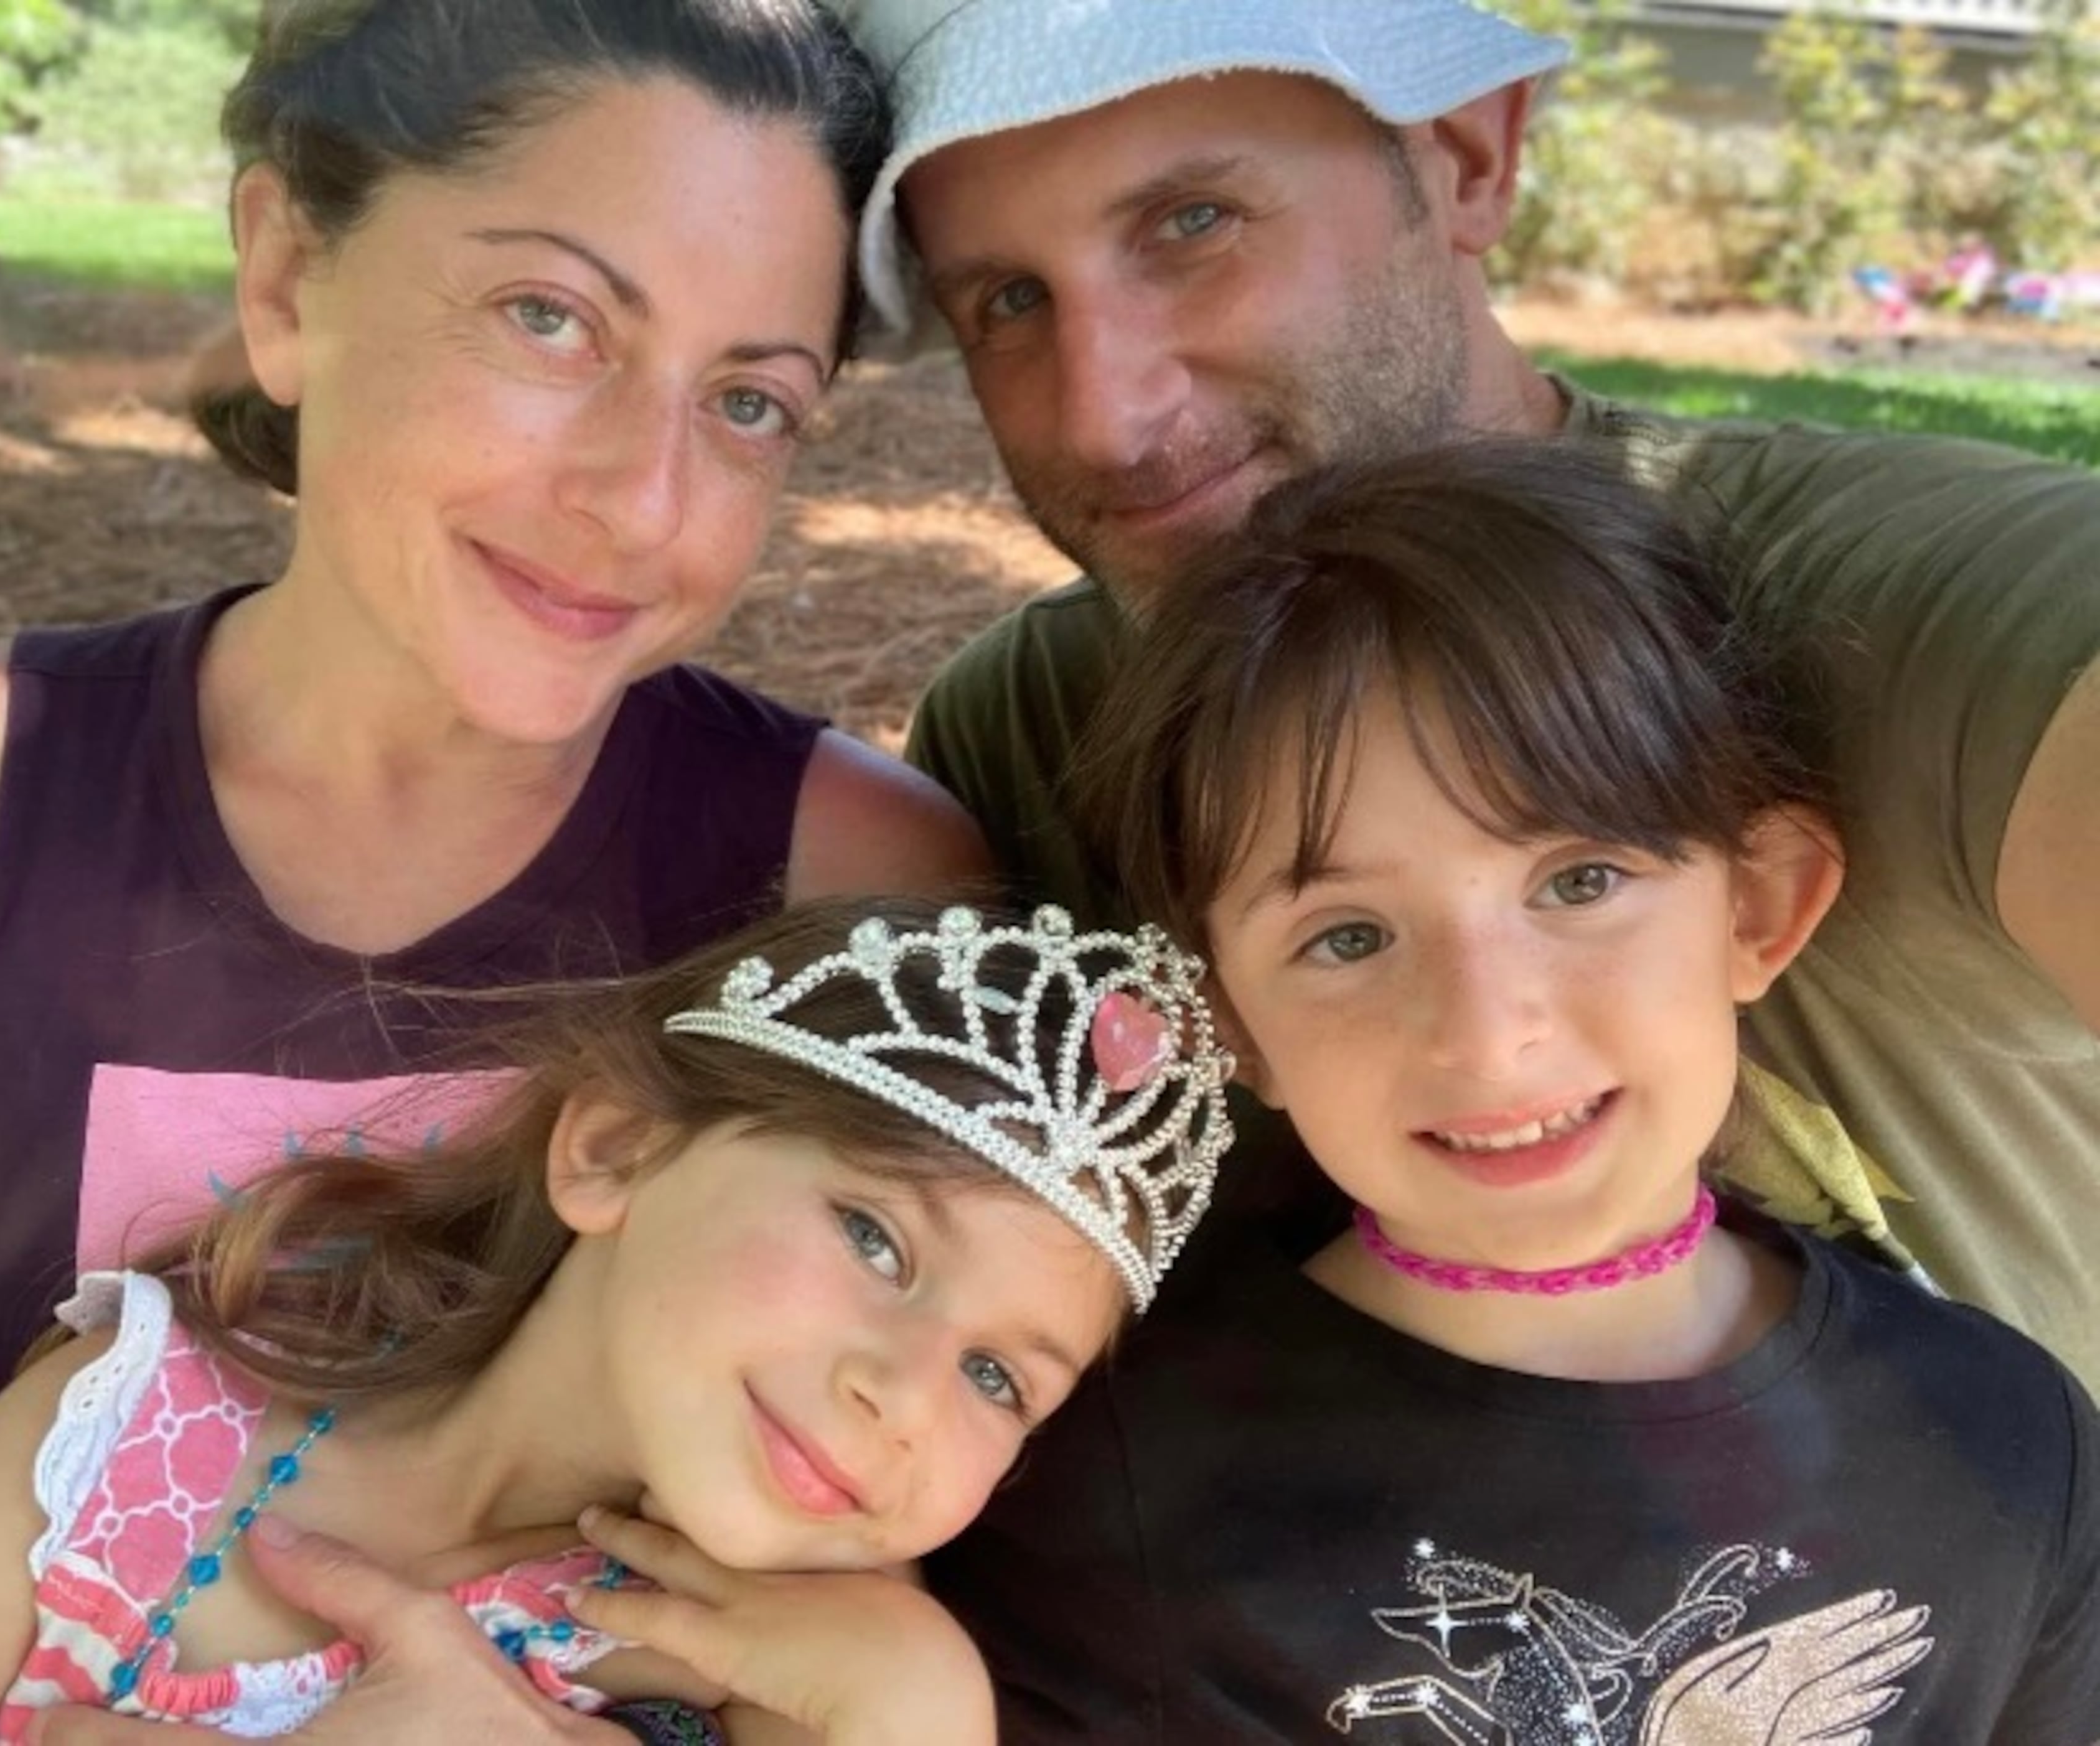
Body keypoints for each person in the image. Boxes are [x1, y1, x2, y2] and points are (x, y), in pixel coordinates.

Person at [0, 0, 993, 1717]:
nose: (645, 498)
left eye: (753, 400)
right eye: (550, 318)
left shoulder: (852, 885)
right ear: (283, 275)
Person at [832, 0, 2100, 1388]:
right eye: (1008, 300)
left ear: (1467, 159)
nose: (1104, 417)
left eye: (1192, 222)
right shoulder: (1028, 733)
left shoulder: (1925, 605)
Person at [932, 439, 2100, 1742]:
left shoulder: (2007, 1441)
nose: (1490, 1038)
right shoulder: (1104, 1492)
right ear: (1229, 1017)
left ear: (1759, 905)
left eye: (1580, 880)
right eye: (1351, 936)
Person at [0, 895, 1236, 1745]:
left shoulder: (801, 1668)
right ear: (616, 1147)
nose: (906, 1391)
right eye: (874, 1235)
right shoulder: (128, 1446)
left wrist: (919, 1703)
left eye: (996, 1374)